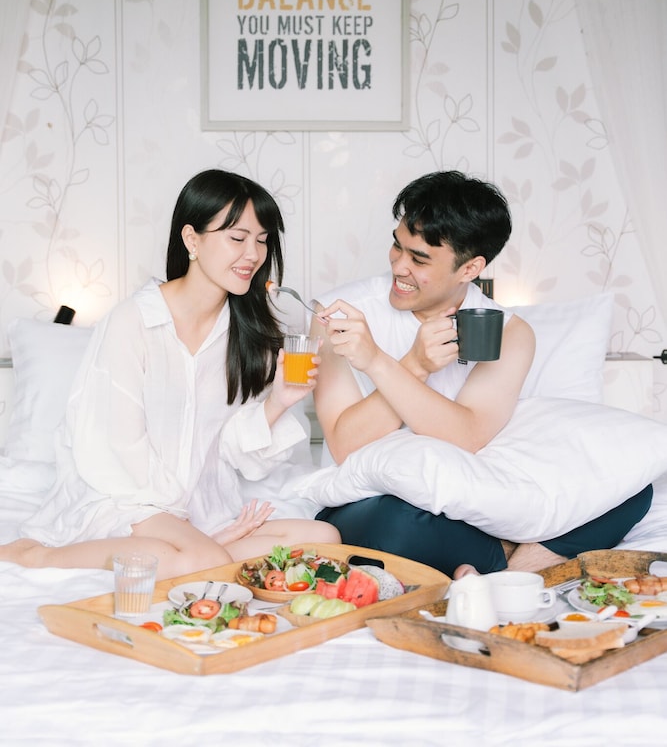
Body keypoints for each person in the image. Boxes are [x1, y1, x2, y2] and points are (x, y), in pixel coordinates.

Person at [311, 170, 652, 577]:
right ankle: (516, 559)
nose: (399, 266)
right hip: (376, 503)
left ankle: (509, 570)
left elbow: (468, 435)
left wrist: (384, 364)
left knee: (629, 485)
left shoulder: (507, 332)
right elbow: (344, 447)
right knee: (393, 526)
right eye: (397, 246)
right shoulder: (339, 313)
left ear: (470, 268)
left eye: (419, 259)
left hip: (474, 500)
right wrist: (412, 365)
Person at [1, 169, 339, 579]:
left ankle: (203, 550)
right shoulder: (134, 321)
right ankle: (36, 556)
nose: (253, 254)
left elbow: (236, 453)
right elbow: (116, 446)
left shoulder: (248, 334)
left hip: (202, 507)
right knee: (204, 558)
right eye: (237, 238)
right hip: (130, 499)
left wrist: (279, 401)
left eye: (262, 240)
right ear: (192, 239)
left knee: (324, 536)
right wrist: (184, 525)